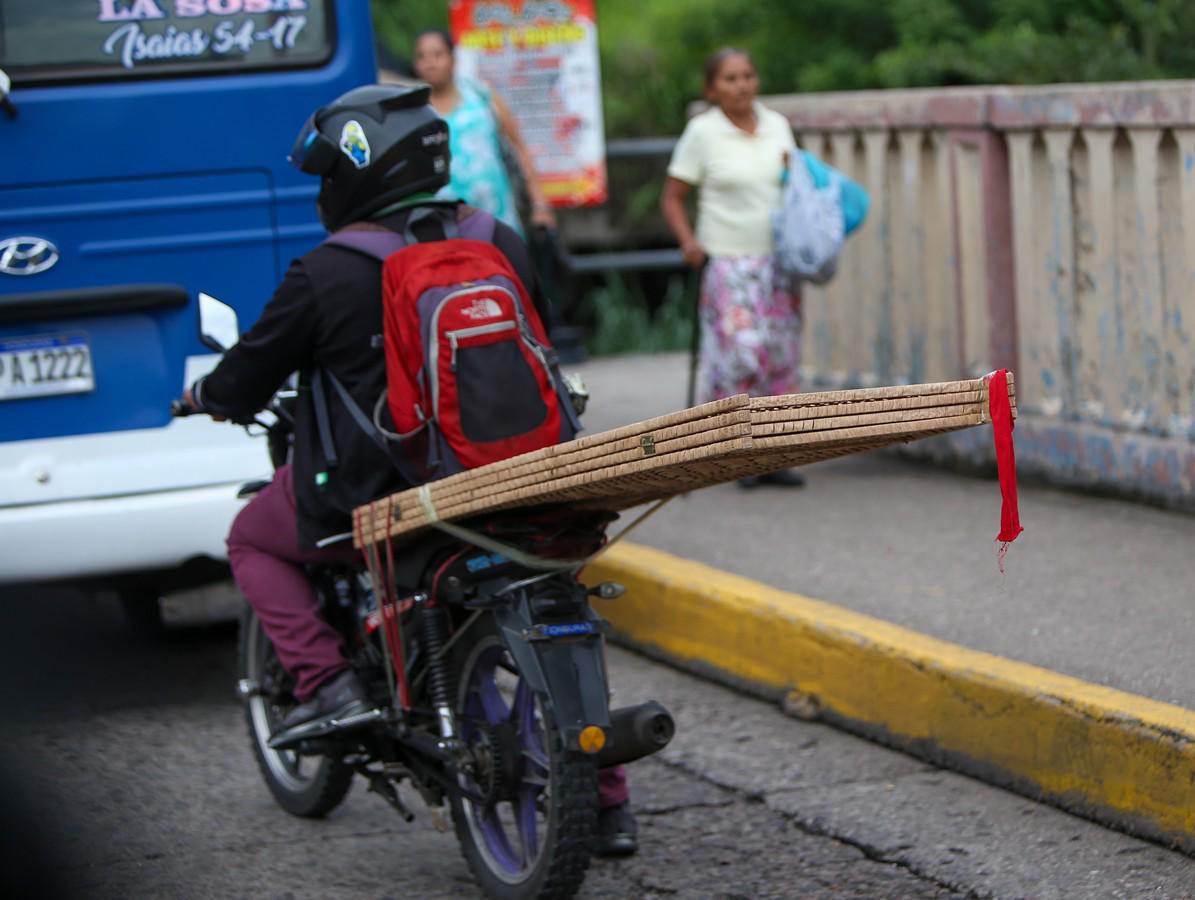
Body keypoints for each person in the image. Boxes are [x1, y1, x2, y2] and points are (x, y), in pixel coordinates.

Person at [182, 83, 636, 856]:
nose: (325, 190)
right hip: (514, 475)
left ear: (357, 173)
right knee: (557, 599)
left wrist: (201, 396)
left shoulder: (323, 272)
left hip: (385, 492)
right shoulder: (497, 237)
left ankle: (326, 682)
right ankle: (608, 798)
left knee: (252, 538)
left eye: (328, 174)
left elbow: (246, 377)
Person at [660, 47, 806, 488]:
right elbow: (673, 196)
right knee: (742, 355)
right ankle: (736, 452)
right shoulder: (702, 133)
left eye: (747, 76)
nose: (741, 85)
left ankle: (776, 454)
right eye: (730, 78)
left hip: (778, 262)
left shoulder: (777, 125)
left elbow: (794, 183)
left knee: (780, 360)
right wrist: (689, 241)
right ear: (711, 89)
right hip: (728, 261)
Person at [412, 28, 555, 237]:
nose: (430, 63)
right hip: (444, 231)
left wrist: (540, 204)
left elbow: (518, 147)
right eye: (422, 57)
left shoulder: (480, 97)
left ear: (453, 57)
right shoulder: (413, 112)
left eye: (438, 54)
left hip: (498, 221)